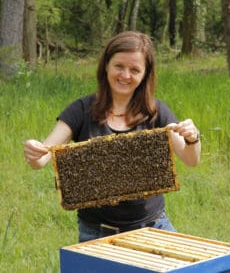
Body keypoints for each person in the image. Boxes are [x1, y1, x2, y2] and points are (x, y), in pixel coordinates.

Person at [24, 31, 201, 242]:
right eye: (119, 66)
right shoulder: (81, 110)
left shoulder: (156, 112)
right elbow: (42, 157)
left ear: (145, 74)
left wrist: (192, 137)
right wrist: (34, 152)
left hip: (153, 227)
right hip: (97, 233)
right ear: (106, 65)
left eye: (134, 70)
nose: (125, 75)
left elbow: (191, 159)